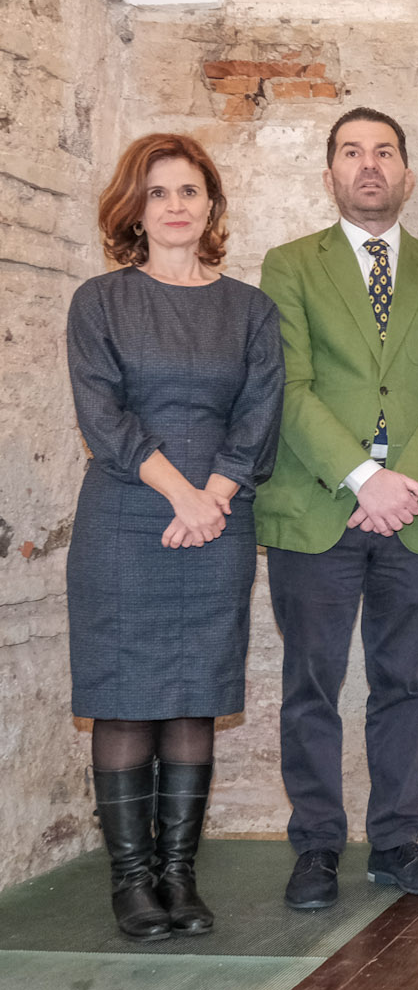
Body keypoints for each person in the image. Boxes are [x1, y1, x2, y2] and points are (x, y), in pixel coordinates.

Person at [256, 108, 418, 910]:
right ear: (329, 177)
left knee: (402, 683)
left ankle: (395, 841)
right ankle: (316, 846)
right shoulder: (289, 267)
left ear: (407, 174)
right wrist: (362, 478)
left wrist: (403, 481)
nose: (369, 165)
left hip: (414, 512)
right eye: (351, 152)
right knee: (311, 683)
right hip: (319, 506)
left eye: (384, 151)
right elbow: (290, 384)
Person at [67, 134, 283, 940]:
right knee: (125, 699)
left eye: (190, 191)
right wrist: (184, 495)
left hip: (218, 522)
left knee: (194, 693)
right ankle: (131, 883)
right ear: (136, 208)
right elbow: (103, 416)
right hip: (126, 518)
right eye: (159, 192)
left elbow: (259, 414)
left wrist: (215, 495)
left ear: (212, 207)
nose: (176, 205)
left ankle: (179, 877)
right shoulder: (99, 302)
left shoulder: (251, 310)